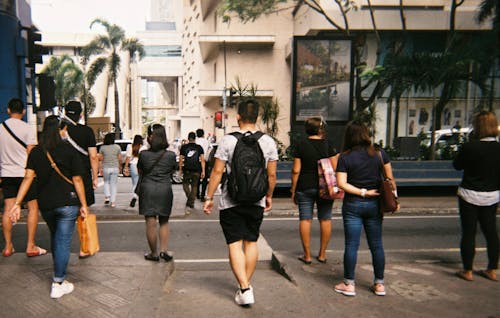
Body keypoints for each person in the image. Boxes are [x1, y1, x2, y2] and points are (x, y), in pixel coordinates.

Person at [203, 99, 278, 306]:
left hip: (231, 200)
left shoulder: (227, 141)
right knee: (251, 242)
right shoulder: (268, 142)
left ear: (238, 117)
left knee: (234, 244)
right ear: (258, 118)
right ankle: (246, 286)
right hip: (256, 200)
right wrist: (269, 196)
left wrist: (209, 198)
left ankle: (245, 288)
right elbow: (272, 176)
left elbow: (217, 172)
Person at [9, 115, 89, 298]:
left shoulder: (37, 152)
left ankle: (60, 278)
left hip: (46, 204)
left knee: (56, 237)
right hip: (68, 202)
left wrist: (17, 203)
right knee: (62, 241)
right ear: (61, 130)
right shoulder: (69, 150)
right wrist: (84, 204)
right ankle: (58, 282)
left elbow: (28, 178)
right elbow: (77, 179)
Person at [334, 121, 399, 297]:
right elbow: (390, 179)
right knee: (376, 245)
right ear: (365, 134)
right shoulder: (379, 154)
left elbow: (341, 184)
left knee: (351, 245)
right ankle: (379, 284)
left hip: (353, 204)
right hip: (375, 204)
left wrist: (362, 192)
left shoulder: (345, 157)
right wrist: (395, 199)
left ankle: (349, 284)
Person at [453, 111, 499, 282]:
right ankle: (492, 269)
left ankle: (468, 270)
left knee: (469, 233)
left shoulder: (470, 147)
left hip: (469, 194)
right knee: (491, 232)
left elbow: (457, 166)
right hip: (492, 195)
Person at [0, 98, 46, 257]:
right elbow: (31, 154)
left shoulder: (0, 129)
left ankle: (7, 246)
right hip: (25, 175)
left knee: (8, 209)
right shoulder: (28, 129)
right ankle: (30, 245)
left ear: (8, 110)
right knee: (33, 208)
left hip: (6, 174)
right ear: (24, 112)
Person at [290, 117, 338, 265]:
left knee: (305, 219)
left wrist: (293, 190)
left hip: (305, 186)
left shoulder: (301, 144)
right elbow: (335, 166)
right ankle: (322, 254)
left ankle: (307, 255)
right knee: (325, 218)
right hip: (325, 187)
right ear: (320, 129)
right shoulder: (328, 144)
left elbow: (296, 170)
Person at [137, 124, 177, 262]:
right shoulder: (171, 155)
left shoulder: (143, 155)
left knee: (150, 221)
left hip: (147, 189)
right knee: (164, 221)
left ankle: (153, 253)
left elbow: (140, 171)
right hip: (165, 189)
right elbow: (173, 171)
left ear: (150, 137)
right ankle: (164, 250)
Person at [64, 100, 99, 258]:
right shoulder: (87, 132)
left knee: (63, 212)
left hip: (62, 176)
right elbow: (93, 156)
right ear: (81, 114)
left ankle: (61, 247)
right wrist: (95, 176)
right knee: (83, 211)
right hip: (82, 176)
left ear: (65, 113)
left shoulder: (58, 131)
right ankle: (83, 248)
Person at [179, 131, 205, 213]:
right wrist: (203, 171)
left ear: (188, 138)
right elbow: (202, 160)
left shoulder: (184, 147)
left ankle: (190, 200)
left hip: (187, 169)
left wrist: (180, 169)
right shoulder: (199, 147)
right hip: (197, 169)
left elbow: (180, 159)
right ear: (195, 138)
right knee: (194, 186)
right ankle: (191, 201)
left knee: (185, 185)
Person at [98, 133, 122, 207]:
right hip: (115, 167)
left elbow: (100, 159)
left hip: (106, 167)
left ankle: (107, 197)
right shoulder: (117, 147)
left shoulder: (102, 148)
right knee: (113, 185)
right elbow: (120, 158)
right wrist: (120, 166)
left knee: (106, 182)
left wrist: (100, 168)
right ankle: (113, 201)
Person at [124, 135, 144, 207]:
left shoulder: (130, 146)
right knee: (142, 182)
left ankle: (135, 197)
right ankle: (141, 198)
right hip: (142, 165)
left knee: (135, 183)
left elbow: (128, 157)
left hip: (133, 165)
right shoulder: (143, 147)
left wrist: (126, 167)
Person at [196, 128, 212, 201]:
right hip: (205, 161)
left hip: (196, 161)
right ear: (203, 134)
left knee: (197, 178)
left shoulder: (195, 141)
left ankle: (197, 194)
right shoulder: (206, 141)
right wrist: (207, 157)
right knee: (204, 179)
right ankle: (202, 195)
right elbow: (210, 148)